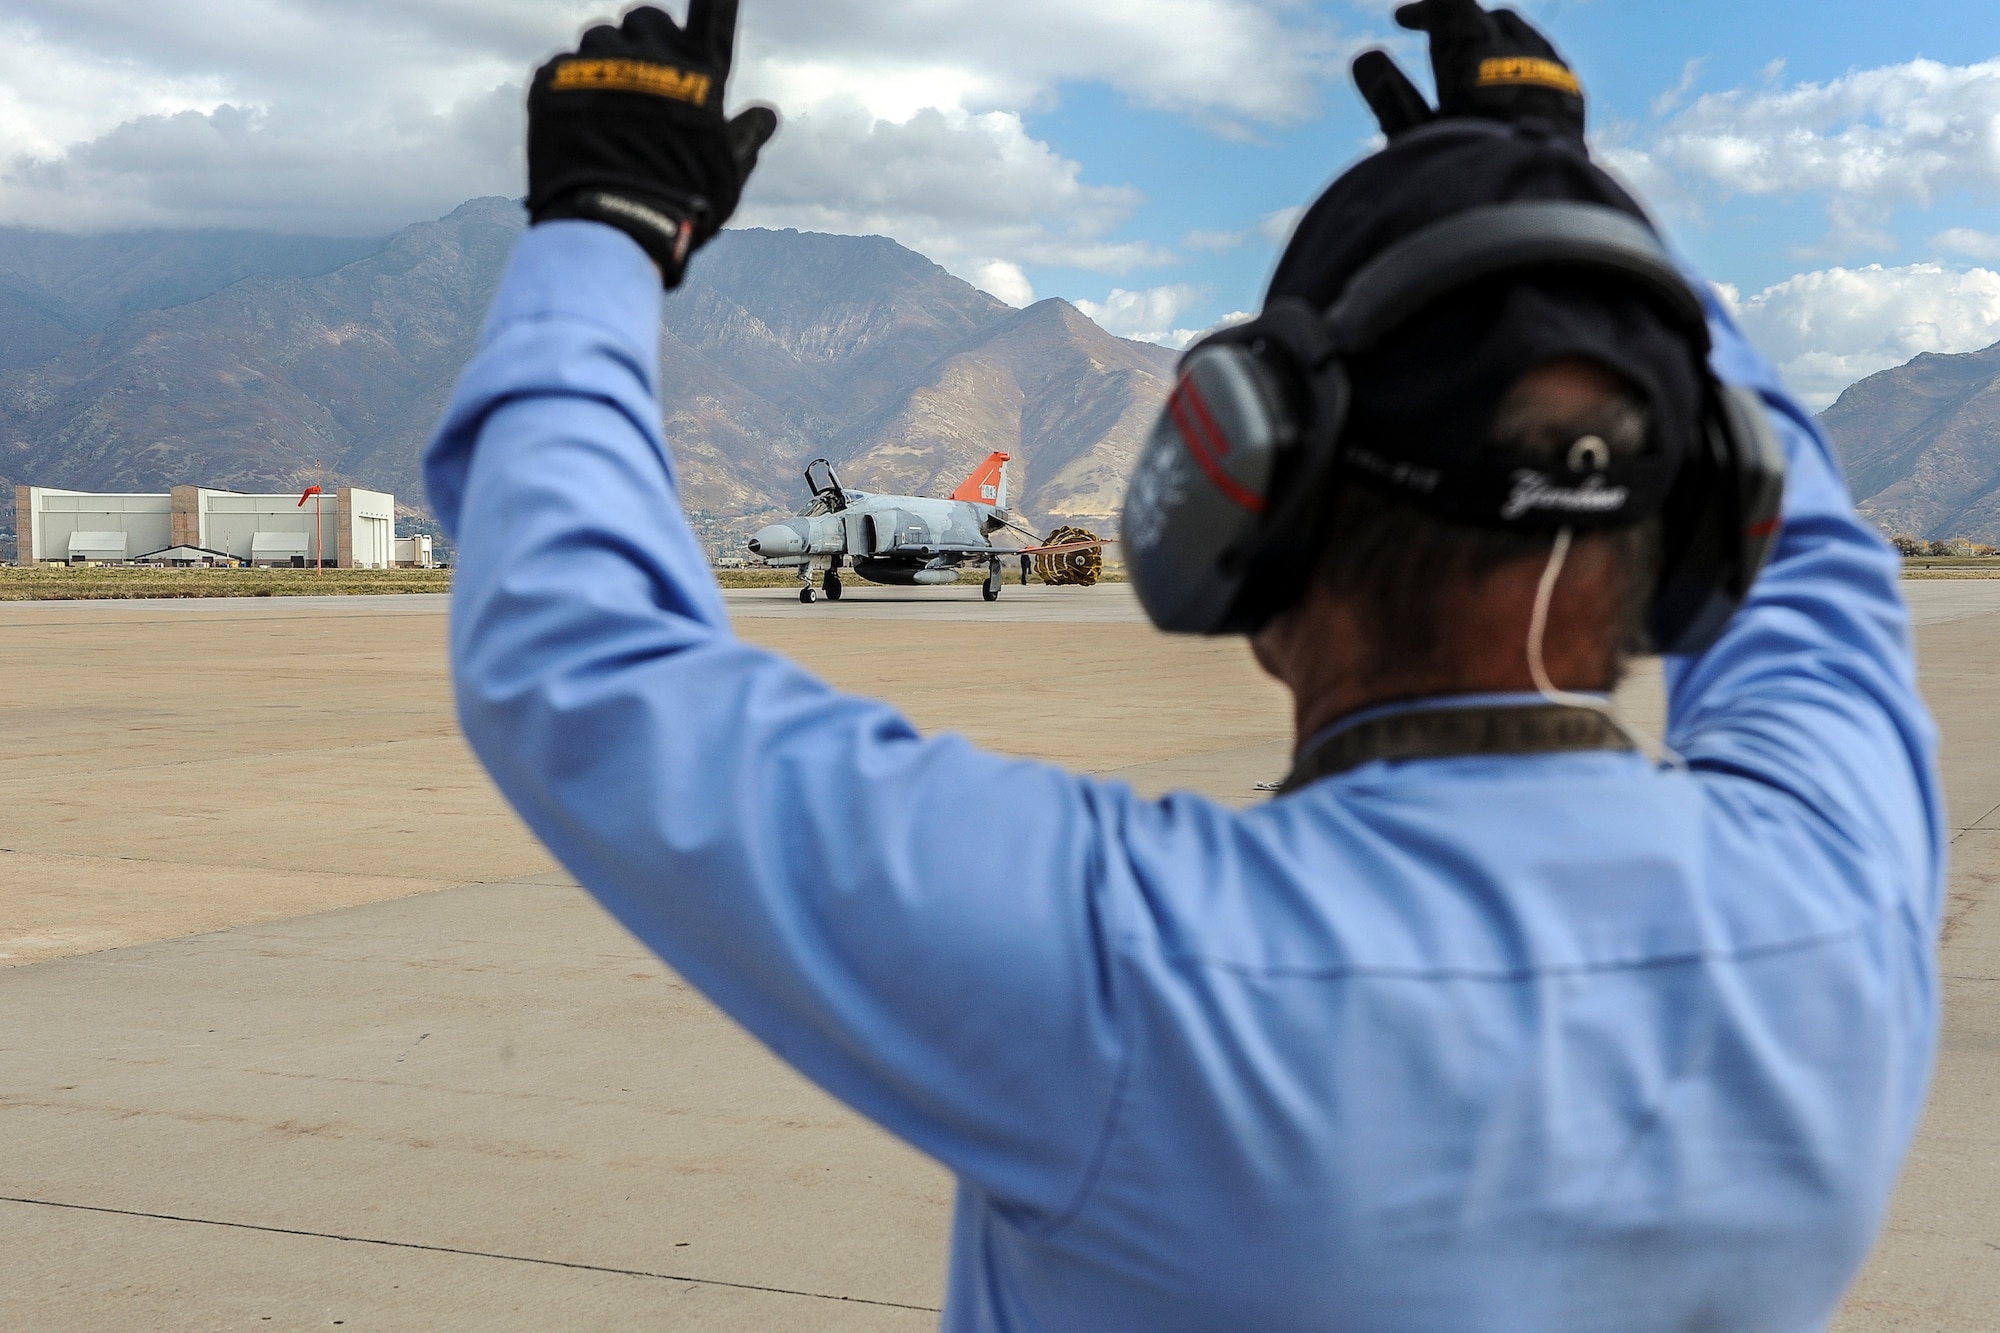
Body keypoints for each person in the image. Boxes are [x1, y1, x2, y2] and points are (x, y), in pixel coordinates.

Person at [426, 1, 1941, 1328]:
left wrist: (604, 223)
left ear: (1249, 515)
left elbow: (579, 655)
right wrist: (1570, 200)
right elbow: (1814, 563)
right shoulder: (1845, 889)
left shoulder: (1134, 969)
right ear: (1697, 523)